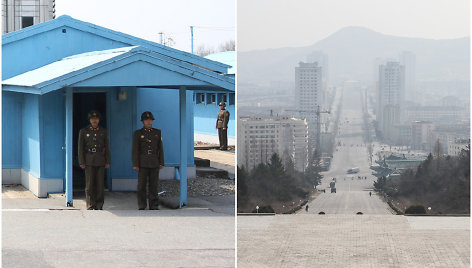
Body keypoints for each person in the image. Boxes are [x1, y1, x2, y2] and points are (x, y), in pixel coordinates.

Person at [78, 110, 110, 210]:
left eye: (96, 119)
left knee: (100, 184)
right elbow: (80, 148)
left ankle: (99, 204)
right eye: (92, 119)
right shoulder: (84, 131)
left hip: (100, 159)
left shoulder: (103, 131)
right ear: (90, 120)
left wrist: (107, 161)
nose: (94, 120)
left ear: (99, 120)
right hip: (89, 159)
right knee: (90, 184)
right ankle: (91, 204)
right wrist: (81, 161)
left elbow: (107, 147)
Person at [132, 111, 165, 210]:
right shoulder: (138, 133)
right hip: (142, 163)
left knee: (153, 185)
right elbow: (135, 150)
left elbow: (160, 148)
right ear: (143, 121)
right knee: (141, 185)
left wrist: (161, 162)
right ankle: (142, 205)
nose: (149, 122)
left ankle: (154, 205)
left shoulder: (157, 132)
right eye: (146, 120)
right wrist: (135, 163)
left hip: (154, 162)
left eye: (150, 120)